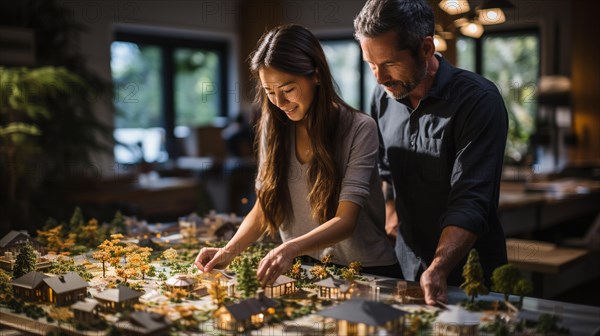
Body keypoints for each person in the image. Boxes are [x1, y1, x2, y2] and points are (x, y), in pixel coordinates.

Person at [194, 24, 401, 287]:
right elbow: (264, 207)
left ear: (316, 75)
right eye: (270, 92)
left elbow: (346, 221)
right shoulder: (274, 125)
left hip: (367, 271)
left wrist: (289, 248)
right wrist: (228, 251)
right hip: (305, 269)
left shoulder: (360, 127)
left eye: (288, 89)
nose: (279, 102)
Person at [354, 0, 509, 305]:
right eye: (370, 64)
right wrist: (391, 217)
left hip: (468, 274)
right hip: (405, 266)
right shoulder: (381, 97)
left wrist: (438, 267)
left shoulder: (478, 101)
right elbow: (386, 169)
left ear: (426, 48)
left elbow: (471, 201)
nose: (378, 77)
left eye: (388, 63)